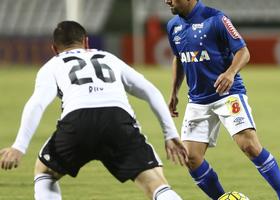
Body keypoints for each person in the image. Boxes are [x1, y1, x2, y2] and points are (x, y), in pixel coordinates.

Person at [0, 21, 188, 200]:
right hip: (118, 121)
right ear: (86, 42)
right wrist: (170, 133)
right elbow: (150, 91)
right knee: (155, 182)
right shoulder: (109, 58)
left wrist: (19, 147)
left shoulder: (52, 66)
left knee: (45, 173)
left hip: (77, 122)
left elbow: (37, 103)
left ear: (54, 49)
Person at [164, 0, 280, 200]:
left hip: (227, 94)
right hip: (197, 100)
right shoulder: (173, 25)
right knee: (191, 159)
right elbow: (179, 58)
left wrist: (231, 72)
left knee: (249, 145)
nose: (166, 1)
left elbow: (243, 52)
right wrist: (174, 92)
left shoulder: (216, 18)